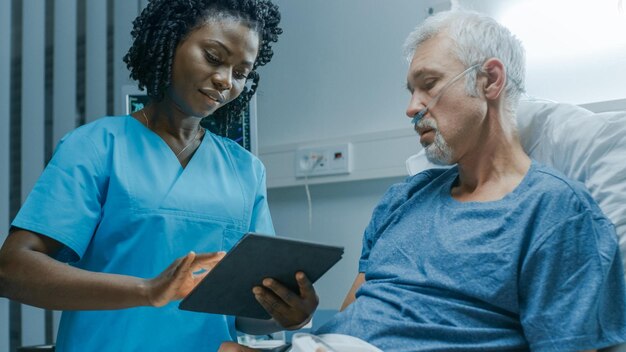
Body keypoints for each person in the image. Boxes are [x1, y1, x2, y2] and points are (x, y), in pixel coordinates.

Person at [220, 9, 626, 352]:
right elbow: (353, 319)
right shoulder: (405, 198)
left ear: (490, 80)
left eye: (428, 84)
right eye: (411, 90)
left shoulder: (555, 211)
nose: (411, 107)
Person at [0, 0, 318, 351]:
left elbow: (249, 309)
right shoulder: (97, 146)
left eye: (240, 73)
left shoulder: (245, 170)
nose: (225, 80)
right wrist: (148, 291)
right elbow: (13, 269)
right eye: (213, 57)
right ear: (168, 44)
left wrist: (291, 314)